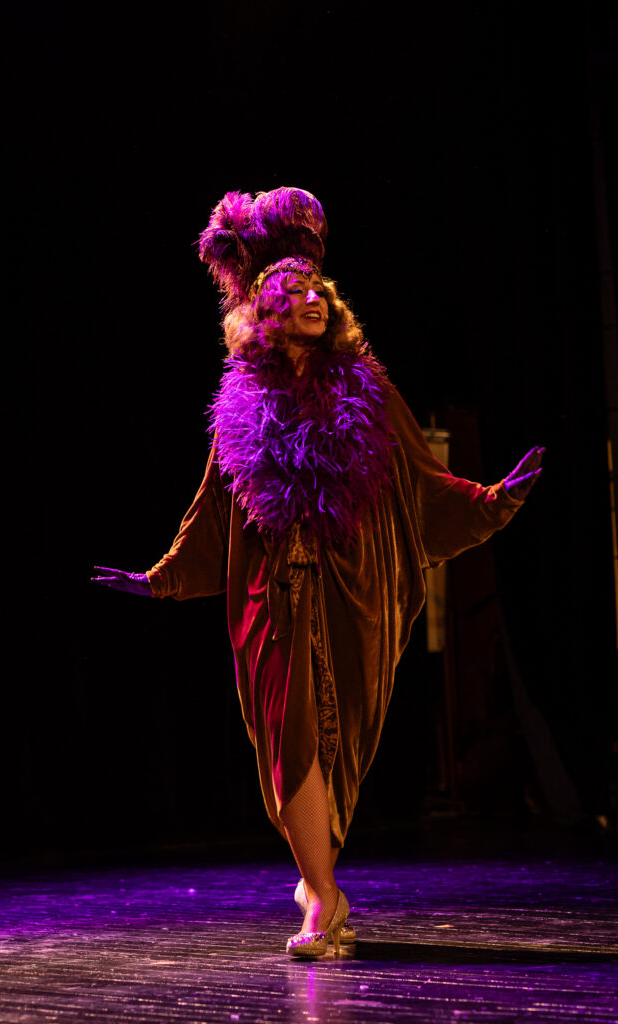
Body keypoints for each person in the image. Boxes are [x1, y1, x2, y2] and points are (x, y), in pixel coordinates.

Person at [93, 187, 544, 958]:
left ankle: (318, 883)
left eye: (316, 291)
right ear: (263, 314)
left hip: (349, 579)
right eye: (290, 292)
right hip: (272, 587)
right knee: (287, 732)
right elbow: (213, 504)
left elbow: (422, 476)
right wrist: (164, 577)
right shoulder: (241, 397)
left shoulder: (367, 385)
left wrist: (494, 499)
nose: (308, 300)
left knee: (342, 737)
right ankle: (323, 900)